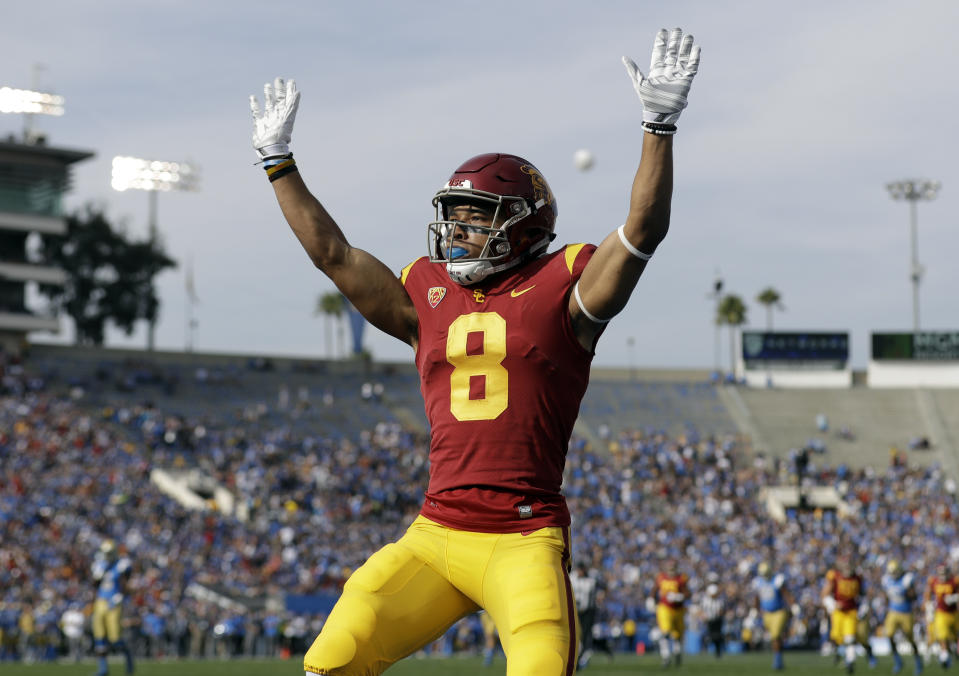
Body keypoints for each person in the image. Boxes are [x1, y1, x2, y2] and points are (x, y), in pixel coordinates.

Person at [250, 26, 700, 676]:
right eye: (453, 214)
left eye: (475, 216)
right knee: (330, 661)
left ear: (524, 223)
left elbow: (641, 231)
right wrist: (278, 162)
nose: (456, 229)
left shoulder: (563, 285)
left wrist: (657, 125)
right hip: (434, 537)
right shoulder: (424, 295)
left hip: (524, 539)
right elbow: (334, 254)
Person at [823, 553, 875, 674]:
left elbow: (864, 595)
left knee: (850, 637)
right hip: (838, 612)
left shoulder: (857, 578)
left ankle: (850, 663)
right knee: (837, 637)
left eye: (849, 565)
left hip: (851, 611)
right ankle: (839, 655)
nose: (847, 568)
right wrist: (833, 604)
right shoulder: (834, 576)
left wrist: (864, 607)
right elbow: (825, 594)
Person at [91, 539, 134, 676]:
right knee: (99, 636)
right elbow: (95, 585)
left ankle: (129, 661)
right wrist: (97, 576)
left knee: (115, 639)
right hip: (100, 601)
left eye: (108, 553)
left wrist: (121, 596)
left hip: (113, 602)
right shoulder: (100, 565)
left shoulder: (121, 565)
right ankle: (103, 669)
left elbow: (127, 584)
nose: (107, 556)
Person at [881, 560, 923, 675]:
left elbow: (914, 596)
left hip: (906, 613)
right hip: (893, 611)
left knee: (910, 639)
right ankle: (898, 661)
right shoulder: (886, 580)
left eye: (895, 572)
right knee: (889, 635)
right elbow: (886, 595)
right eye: (892, 572)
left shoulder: (907, 580)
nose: (893, 574)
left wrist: (908, 592)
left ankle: (918, 662)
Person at [752, 561, 793, 670]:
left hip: (779, 612)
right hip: (766, 613)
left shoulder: (777, 580)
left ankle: (777, 662)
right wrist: (755, 610)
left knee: (775, 635)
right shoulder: (758, 582)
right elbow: (757, 598)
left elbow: (786, 594)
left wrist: (793, 605)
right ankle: (779, 658)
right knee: (775, 638)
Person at [654, 558, 689, 668]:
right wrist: (651, 599)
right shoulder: (661, 577)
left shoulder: (681, 578)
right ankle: (666, 656)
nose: (671, 570)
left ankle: (677, 653)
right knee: (665, 633)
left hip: (678, 610)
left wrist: (680, 597)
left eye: (673, 568)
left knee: (677, 635)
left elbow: (688, 593)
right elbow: (654, 589)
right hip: (664, 608)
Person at [924, 562, 958, 670]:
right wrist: (928, 605)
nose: (942, 575)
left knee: (954, 636)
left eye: (944, 572)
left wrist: (955, 597)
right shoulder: (933, 581)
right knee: (942, 635)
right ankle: (944, 656)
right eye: (940, 573)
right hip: (941, 613)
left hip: (954, 613)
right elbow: (928, 593)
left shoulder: (954, 581)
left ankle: (951, 652)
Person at [570, 562, 600, 669]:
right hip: (574, 610)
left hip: (587, 611)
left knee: (585, 633)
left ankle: (583, 654)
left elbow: (598, 592)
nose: (579, 572)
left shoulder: (590, 581)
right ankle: (578, 655)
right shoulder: (572, 577)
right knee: (576, 633)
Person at [700, 582, 726, 659]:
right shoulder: (705, 600)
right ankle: (706, 649)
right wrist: (703, 616)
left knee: (717, 636)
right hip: (709, 620)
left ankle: (718, 652)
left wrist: (719, 613)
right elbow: (701, 610)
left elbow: (721, 611)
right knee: (711, 636)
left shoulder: (719, 600)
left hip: (717, 620)